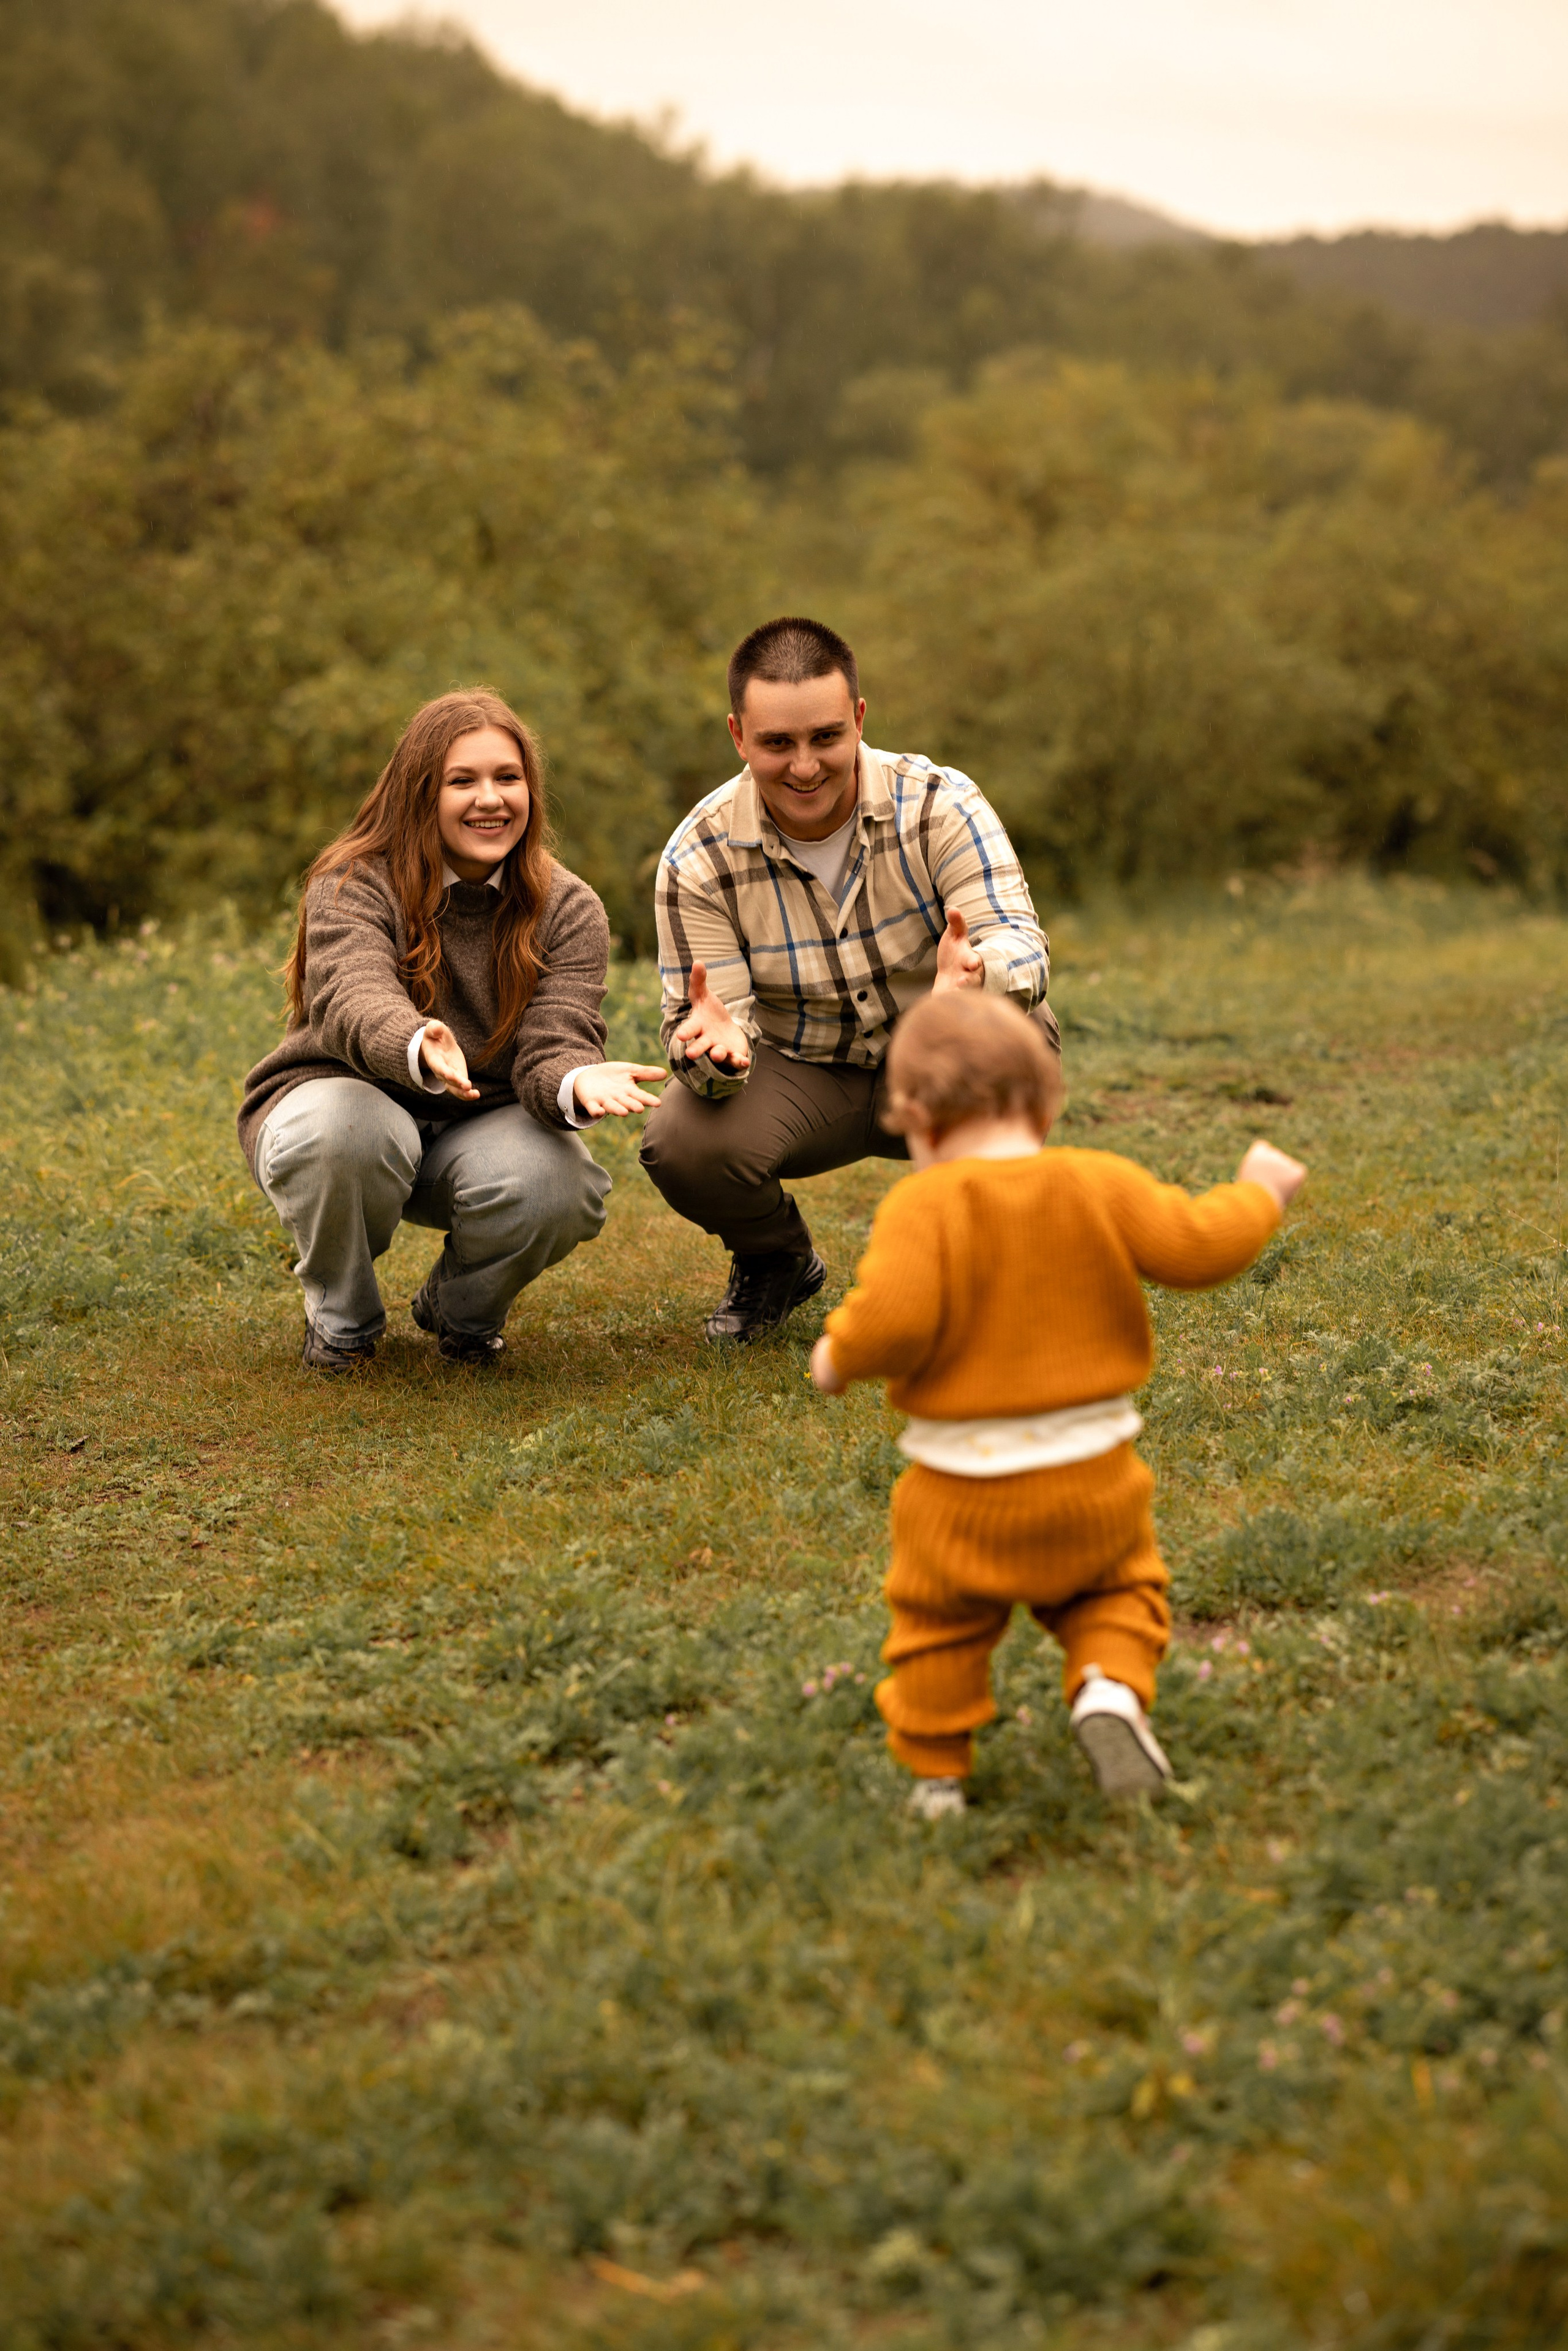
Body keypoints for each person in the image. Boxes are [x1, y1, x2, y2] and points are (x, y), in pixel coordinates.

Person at [809, 990, 1306, 1819]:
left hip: (960, 1492)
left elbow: (891, 1320)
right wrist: (1258, 1193)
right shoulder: (1097, 1180)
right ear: (1043, 1100)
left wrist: (836, 1355)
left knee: (939, 1620)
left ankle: (937, 1777)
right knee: (1115, 1593)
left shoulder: (923, 1203)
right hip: (1092, 1477)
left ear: (919, 1122)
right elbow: (1197, 1246)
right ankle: (1109, 1686)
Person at [639, 614, 1058, 1343]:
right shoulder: (696, 856)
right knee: (682, 1140)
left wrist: (979, 974)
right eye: (777, 743)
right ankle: (775, 1259)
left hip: (944, 1048)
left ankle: (986, 1255)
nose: (804, 766)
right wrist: (708, 1051)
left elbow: (1020, 941)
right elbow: (704, 1017)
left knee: (1013, 1042)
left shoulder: (940, 803)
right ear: (738, 736)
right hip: (800, 1067)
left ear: (858, 719)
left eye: (825, 737)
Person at [238, 689, 664, 1370]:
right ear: (419, 791)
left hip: (474, 1131)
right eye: (461, 780)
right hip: (345, 1107)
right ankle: (342, 1320)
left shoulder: (570, 906)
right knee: (346, 1133)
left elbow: (556, 1041)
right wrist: (416, 1040)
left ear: (532, 789)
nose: (490, 799)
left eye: (508, 778)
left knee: (563, 1182)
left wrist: (578, 1077)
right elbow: (353, 993)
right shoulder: (355, 882)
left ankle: (462, 1311)